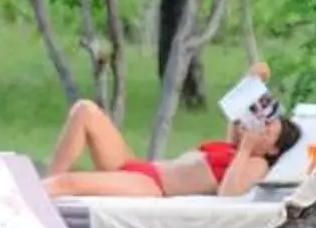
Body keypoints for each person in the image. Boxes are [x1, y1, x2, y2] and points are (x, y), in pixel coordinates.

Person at [40, 75, 301, 199]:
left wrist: (246, 149)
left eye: (268, 131)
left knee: (68, 184)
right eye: (264, 123)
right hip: (140, 167)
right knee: (85, 110)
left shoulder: (256, 163)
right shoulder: (233, 149)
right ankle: (39, 194)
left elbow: (228, 196)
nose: (260, 128)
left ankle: (30, 201)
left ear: (273, 150)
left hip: (152, 187)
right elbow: (236, 114)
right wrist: (252, 79)